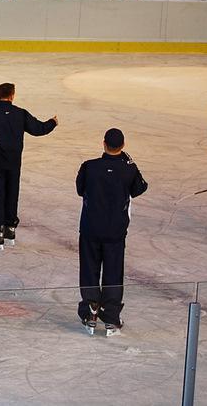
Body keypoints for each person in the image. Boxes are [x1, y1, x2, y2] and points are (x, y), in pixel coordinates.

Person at [0, 83, 58, 249]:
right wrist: (52, 122)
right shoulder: (20, 113)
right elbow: (38, 129)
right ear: (12, 95)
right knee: (11, 194)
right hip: (14, 163)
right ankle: (9, 230)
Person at [76, 129, 148, 336]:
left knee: (89, 270)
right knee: (113, 273)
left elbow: (80, 189)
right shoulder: (129, 169)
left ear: (103, 143)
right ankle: (111, 316)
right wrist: (129, 162)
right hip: (115, 231)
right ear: (123, 146)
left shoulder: (89, 166)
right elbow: (140, 188)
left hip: (90, 228)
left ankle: (91, 309)